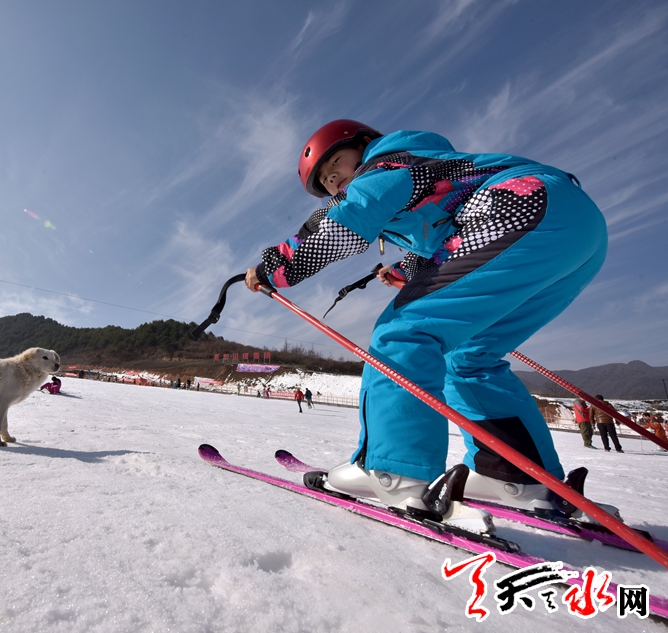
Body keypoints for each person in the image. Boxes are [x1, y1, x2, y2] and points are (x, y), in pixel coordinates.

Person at [243, 119, 609, 528]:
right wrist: (407, 268)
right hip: (573, 228)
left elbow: (347, 218)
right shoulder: (431, 165)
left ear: (365, 144)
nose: (336, 183)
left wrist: (275, 266)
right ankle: (513, 475)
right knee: (470, 358)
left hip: (522, 207)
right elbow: (452, 233)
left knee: (402, 332)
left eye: (337, 167)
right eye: (327, 182)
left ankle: (395, 470)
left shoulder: (386, 166)